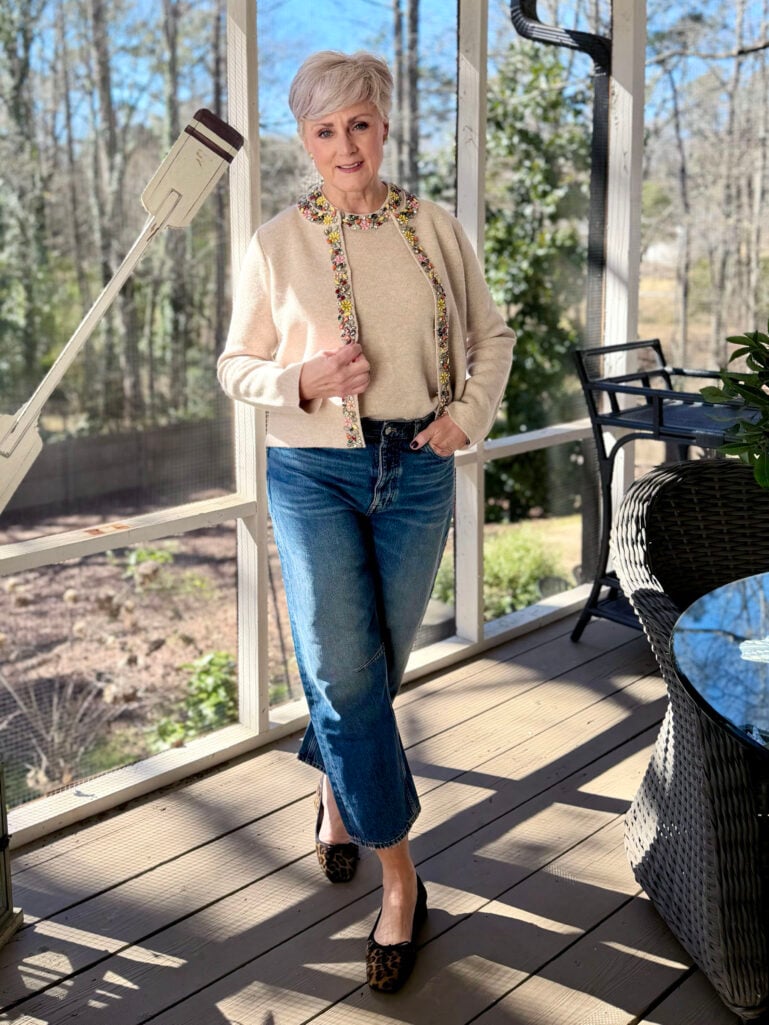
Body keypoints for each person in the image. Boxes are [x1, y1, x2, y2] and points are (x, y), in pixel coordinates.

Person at [218, 50, 515, 993]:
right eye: (322, 129)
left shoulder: (434, 227)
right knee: (343, 675)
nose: (344, 144)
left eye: (359, 123)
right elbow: (235, 364)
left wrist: (466, 417)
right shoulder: (274, 242)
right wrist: (299, 380)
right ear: (303, 140)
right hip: (310, 470)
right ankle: (401, 878)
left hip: (416, 469)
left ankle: (336, 797)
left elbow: (491, 334)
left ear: (382, 128)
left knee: (370, 668)